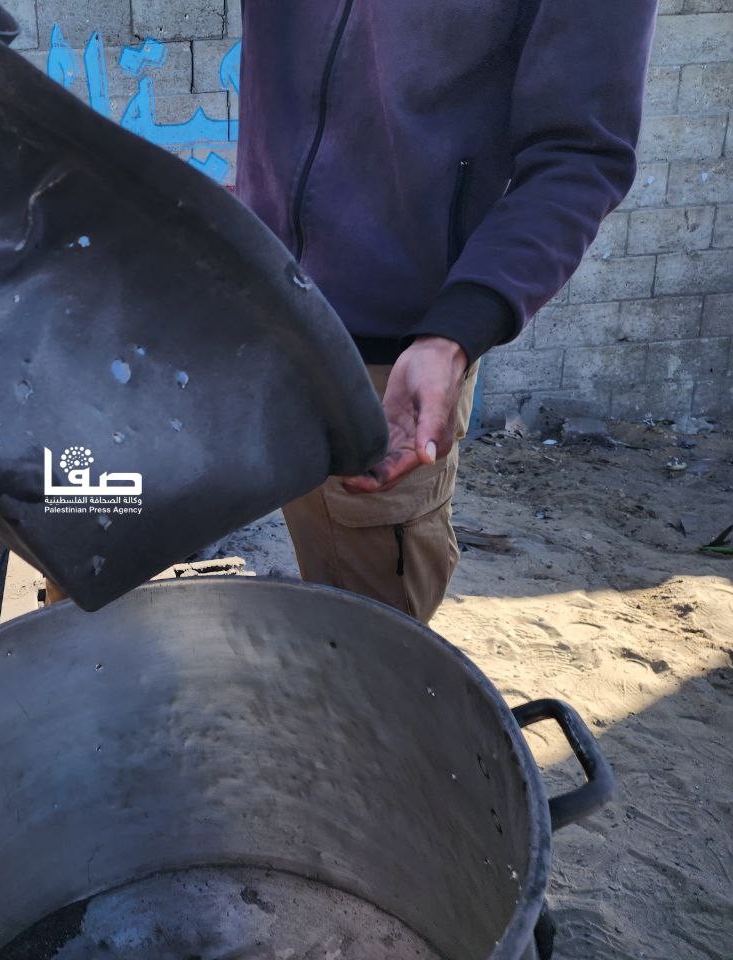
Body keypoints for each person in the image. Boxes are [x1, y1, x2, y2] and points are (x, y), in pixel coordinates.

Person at [236, 0, 658, 623]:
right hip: (261, 297)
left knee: (373, 626)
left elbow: (580, 153)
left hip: (395, 356)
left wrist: (455, 331)